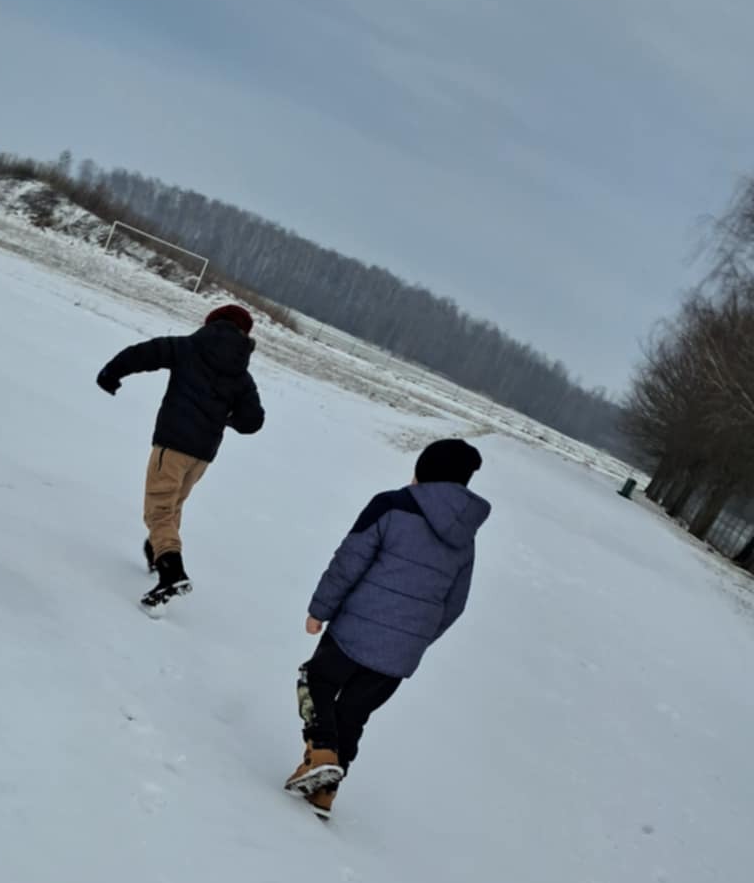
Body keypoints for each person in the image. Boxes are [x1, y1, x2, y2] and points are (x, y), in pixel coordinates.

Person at [287, 438, 490, 816]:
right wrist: (416, 639)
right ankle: (326, 789)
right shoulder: (465, 539)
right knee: (353, 713)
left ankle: (322, 753)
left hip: (353, 631)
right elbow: (455, 603)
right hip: (401, 654)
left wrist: (320, 609)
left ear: (425, 471)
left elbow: (349, 562)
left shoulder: (391, 505)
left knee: (314, 681)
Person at [96, 305, 265, 609]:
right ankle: (157, 549)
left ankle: (171, 573)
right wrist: (225, 417)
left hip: (172, 444)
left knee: (159, 511)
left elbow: (144, 354)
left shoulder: (188, 347)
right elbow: (252, 421)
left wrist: (112, 373)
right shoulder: (242, 375)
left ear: (212, 323)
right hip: (202, 456)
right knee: (172, 505)